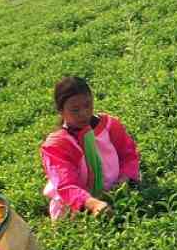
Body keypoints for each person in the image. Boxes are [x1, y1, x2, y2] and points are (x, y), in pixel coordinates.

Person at [41, 75, 142, 219]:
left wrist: (124, 180)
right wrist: (93, 204)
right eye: (75, 110)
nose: (83, 113)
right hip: (76, 208)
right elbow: (66, 185)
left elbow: (128, 155)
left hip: (118, 193)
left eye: (88, 105)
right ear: (61, 111)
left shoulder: (109, 125)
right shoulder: (57, 145)